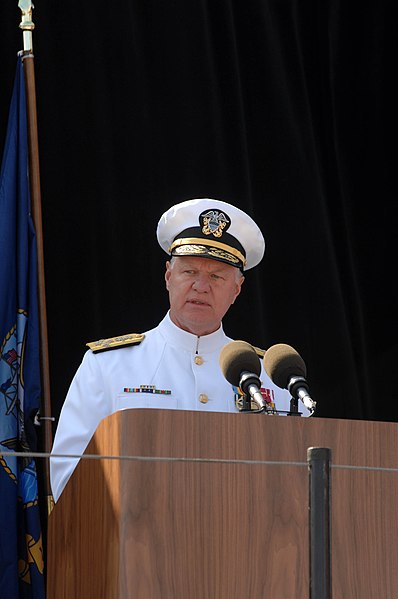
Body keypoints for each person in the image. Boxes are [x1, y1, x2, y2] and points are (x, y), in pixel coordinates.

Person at [50, 198, 306, 502]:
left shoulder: (271, 375)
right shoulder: (107, 365)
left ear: (236, 290)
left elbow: (304, 486)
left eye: (216, 276)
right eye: (189, 272)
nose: (201, 286)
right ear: (169, 277)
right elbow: (67, 478)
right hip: (137, 543)